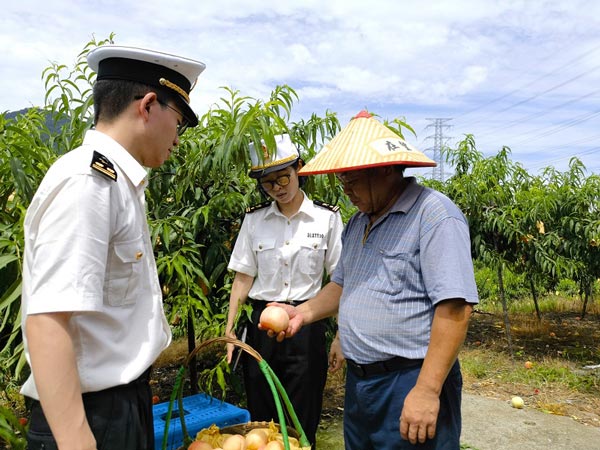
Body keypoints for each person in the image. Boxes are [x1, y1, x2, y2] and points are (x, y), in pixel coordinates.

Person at [20, 45, 206, 450]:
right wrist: (77, 440)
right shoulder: (88, 183)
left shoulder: (118, 183)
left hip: (118, 407)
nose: (178, 138)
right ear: (149, 105)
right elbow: (48, 319)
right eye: (178, 122)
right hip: (90, 417)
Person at [264, 111, 479, 450]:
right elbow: (342, 286)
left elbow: (455, 309)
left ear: (386, 170)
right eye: (342, 181)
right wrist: (300, 313)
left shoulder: (434, 215)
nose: (346, 190)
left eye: (352, 180)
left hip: (408, 379)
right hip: (363, 384)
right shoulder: (357, 223)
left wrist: (426, 391)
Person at [225, 134, 344, 448]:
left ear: (299, 168)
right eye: (268, 183)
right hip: (262, 328)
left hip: (306, 327)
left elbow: (341, 281)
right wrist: (230, 332)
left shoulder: (327, 218)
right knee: (261, 421)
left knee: (302, 419)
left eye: (283, 177)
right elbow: (242, 279)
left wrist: (340, 335)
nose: (277, 187)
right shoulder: (254, 220)